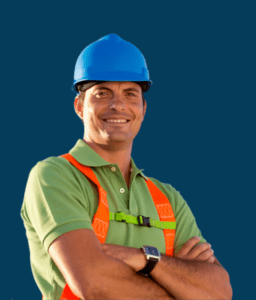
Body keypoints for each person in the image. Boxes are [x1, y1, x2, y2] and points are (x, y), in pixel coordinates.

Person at [21, 33, 232, 299]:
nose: (117, 104)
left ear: (143, 108)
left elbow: (220, 293)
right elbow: (95, 283)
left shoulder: (167, 198)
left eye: (130, 93)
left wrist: (146, 259)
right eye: (102, 93)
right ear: (79, 106)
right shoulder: (55, 176)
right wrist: (179, 282)